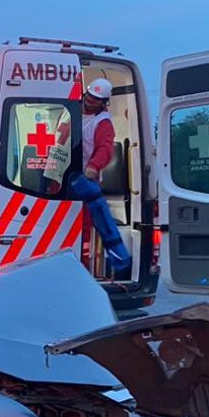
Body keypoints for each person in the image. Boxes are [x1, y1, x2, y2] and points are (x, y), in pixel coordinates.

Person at [70, 79, 131, 275]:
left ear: (103, 103)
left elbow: (105, 149)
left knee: (85, 228)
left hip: (85, 181)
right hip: (65, 175)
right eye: (88, 95)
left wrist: (93, 167)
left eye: (94, 99)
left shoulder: (103, 123)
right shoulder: (71, 111)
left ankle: (85, 267)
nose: (88, 100)